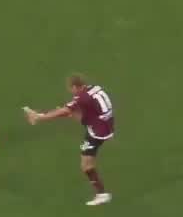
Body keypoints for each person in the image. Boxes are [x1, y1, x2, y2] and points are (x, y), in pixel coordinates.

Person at [23, 75, 116, 206]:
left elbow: (66, 110)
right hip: (106, 124)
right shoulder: (94, 88)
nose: (71, 92)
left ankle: (102, 194)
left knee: (86, 165)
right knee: (71, 113)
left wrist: (41, 118)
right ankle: (102, 194)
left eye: (71, 89)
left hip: (97, 132)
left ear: (74, 87)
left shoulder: (82, 98)